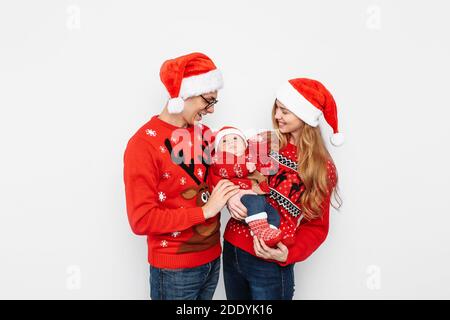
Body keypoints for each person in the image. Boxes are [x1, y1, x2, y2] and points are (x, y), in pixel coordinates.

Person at [123, 52, 240, 300]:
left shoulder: (204, 134)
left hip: (212, 259)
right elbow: (141, 220)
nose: (210, 110)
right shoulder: (143, 145)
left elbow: (223, 173)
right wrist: (205, 211)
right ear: (184, 94)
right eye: (208, 100)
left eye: (214, 102)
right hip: (175, 269)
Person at [223, 78, 344, 300]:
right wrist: (230, 197)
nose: (277, 115)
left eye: (285, 111)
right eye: (277, 108)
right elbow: (230, 172)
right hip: (233, 250)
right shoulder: (263, 143)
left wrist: (289, 253)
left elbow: (316, 226)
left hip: (270, 261)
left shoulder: (321, 167)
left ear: (304, 116)